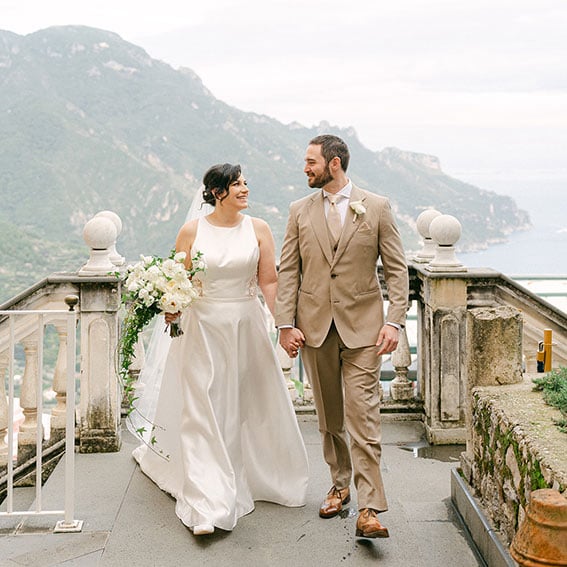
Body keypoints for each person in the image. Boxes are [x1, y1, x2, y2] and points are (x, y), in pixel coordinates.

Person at [132, 163, 309, 536]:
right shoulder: (192, 231)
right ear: (217, 192)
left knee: (246, 403)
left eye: (245, 183)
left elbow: (269, 282)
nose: (245, 189)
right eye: (236, 185)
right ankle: (206, 501)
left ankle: (253, 473)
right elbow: (177, 281)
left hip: (246, 326)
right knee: (203, 406)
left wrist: (284, 325)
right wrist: (170, 305)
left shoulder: (258, 229)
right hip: (203, 329)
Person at [275, 134, 408, 539]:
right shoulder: (300, 211)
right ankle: (339, 484)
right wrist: (285, 324)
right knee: (330, 418)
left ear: (334, 163)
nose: (305, 168)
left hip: (365, 330)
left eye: (311, 161)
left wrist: (395, 321)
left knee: (364, 416)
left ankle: (370, 508)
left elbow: (397, 269)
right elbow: (288, 271)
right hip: (314, 328)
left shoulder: (378, 207)